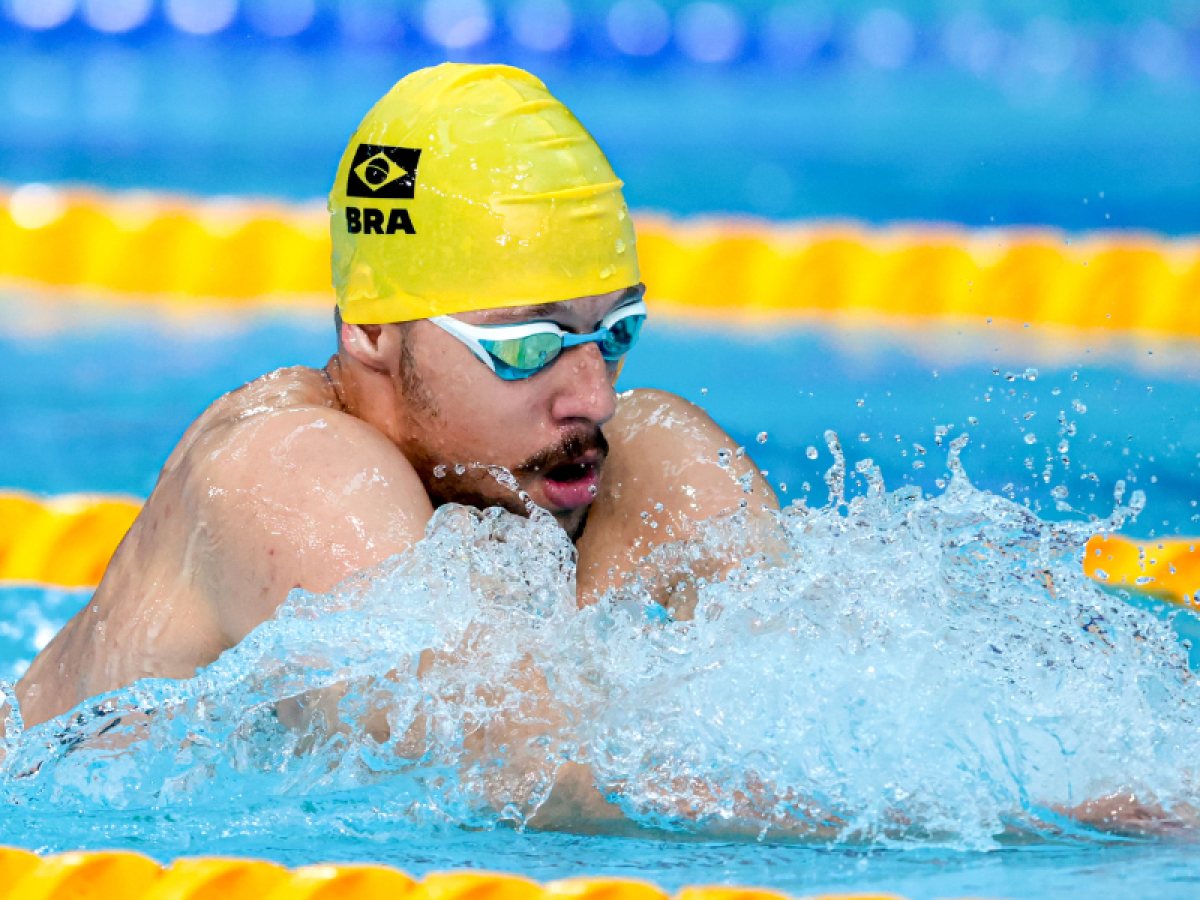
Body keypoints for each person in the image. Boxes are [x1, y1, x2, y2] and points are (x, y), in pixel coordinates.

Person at [14, 64, 775, 734]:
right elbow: (525, 769)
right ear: (372, 329)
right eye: (528, 347)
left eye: (613, 333)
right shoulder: (293, 473)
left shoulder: (646, 462)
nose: (595, 398)